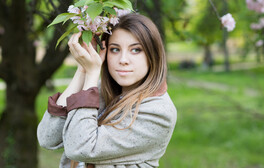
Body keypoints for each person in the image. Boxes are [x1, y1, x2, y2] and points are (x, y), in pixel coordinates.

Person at [37, 13, 177, 168]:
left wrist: (91, 76)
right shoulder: (102, 91)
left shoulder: (158, 111)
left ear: (153, 55)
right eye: (115, 49)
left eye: (136, 50)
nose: (123, 60)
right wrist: (83, 71)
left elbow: (81, 148)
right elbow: (47, 137)